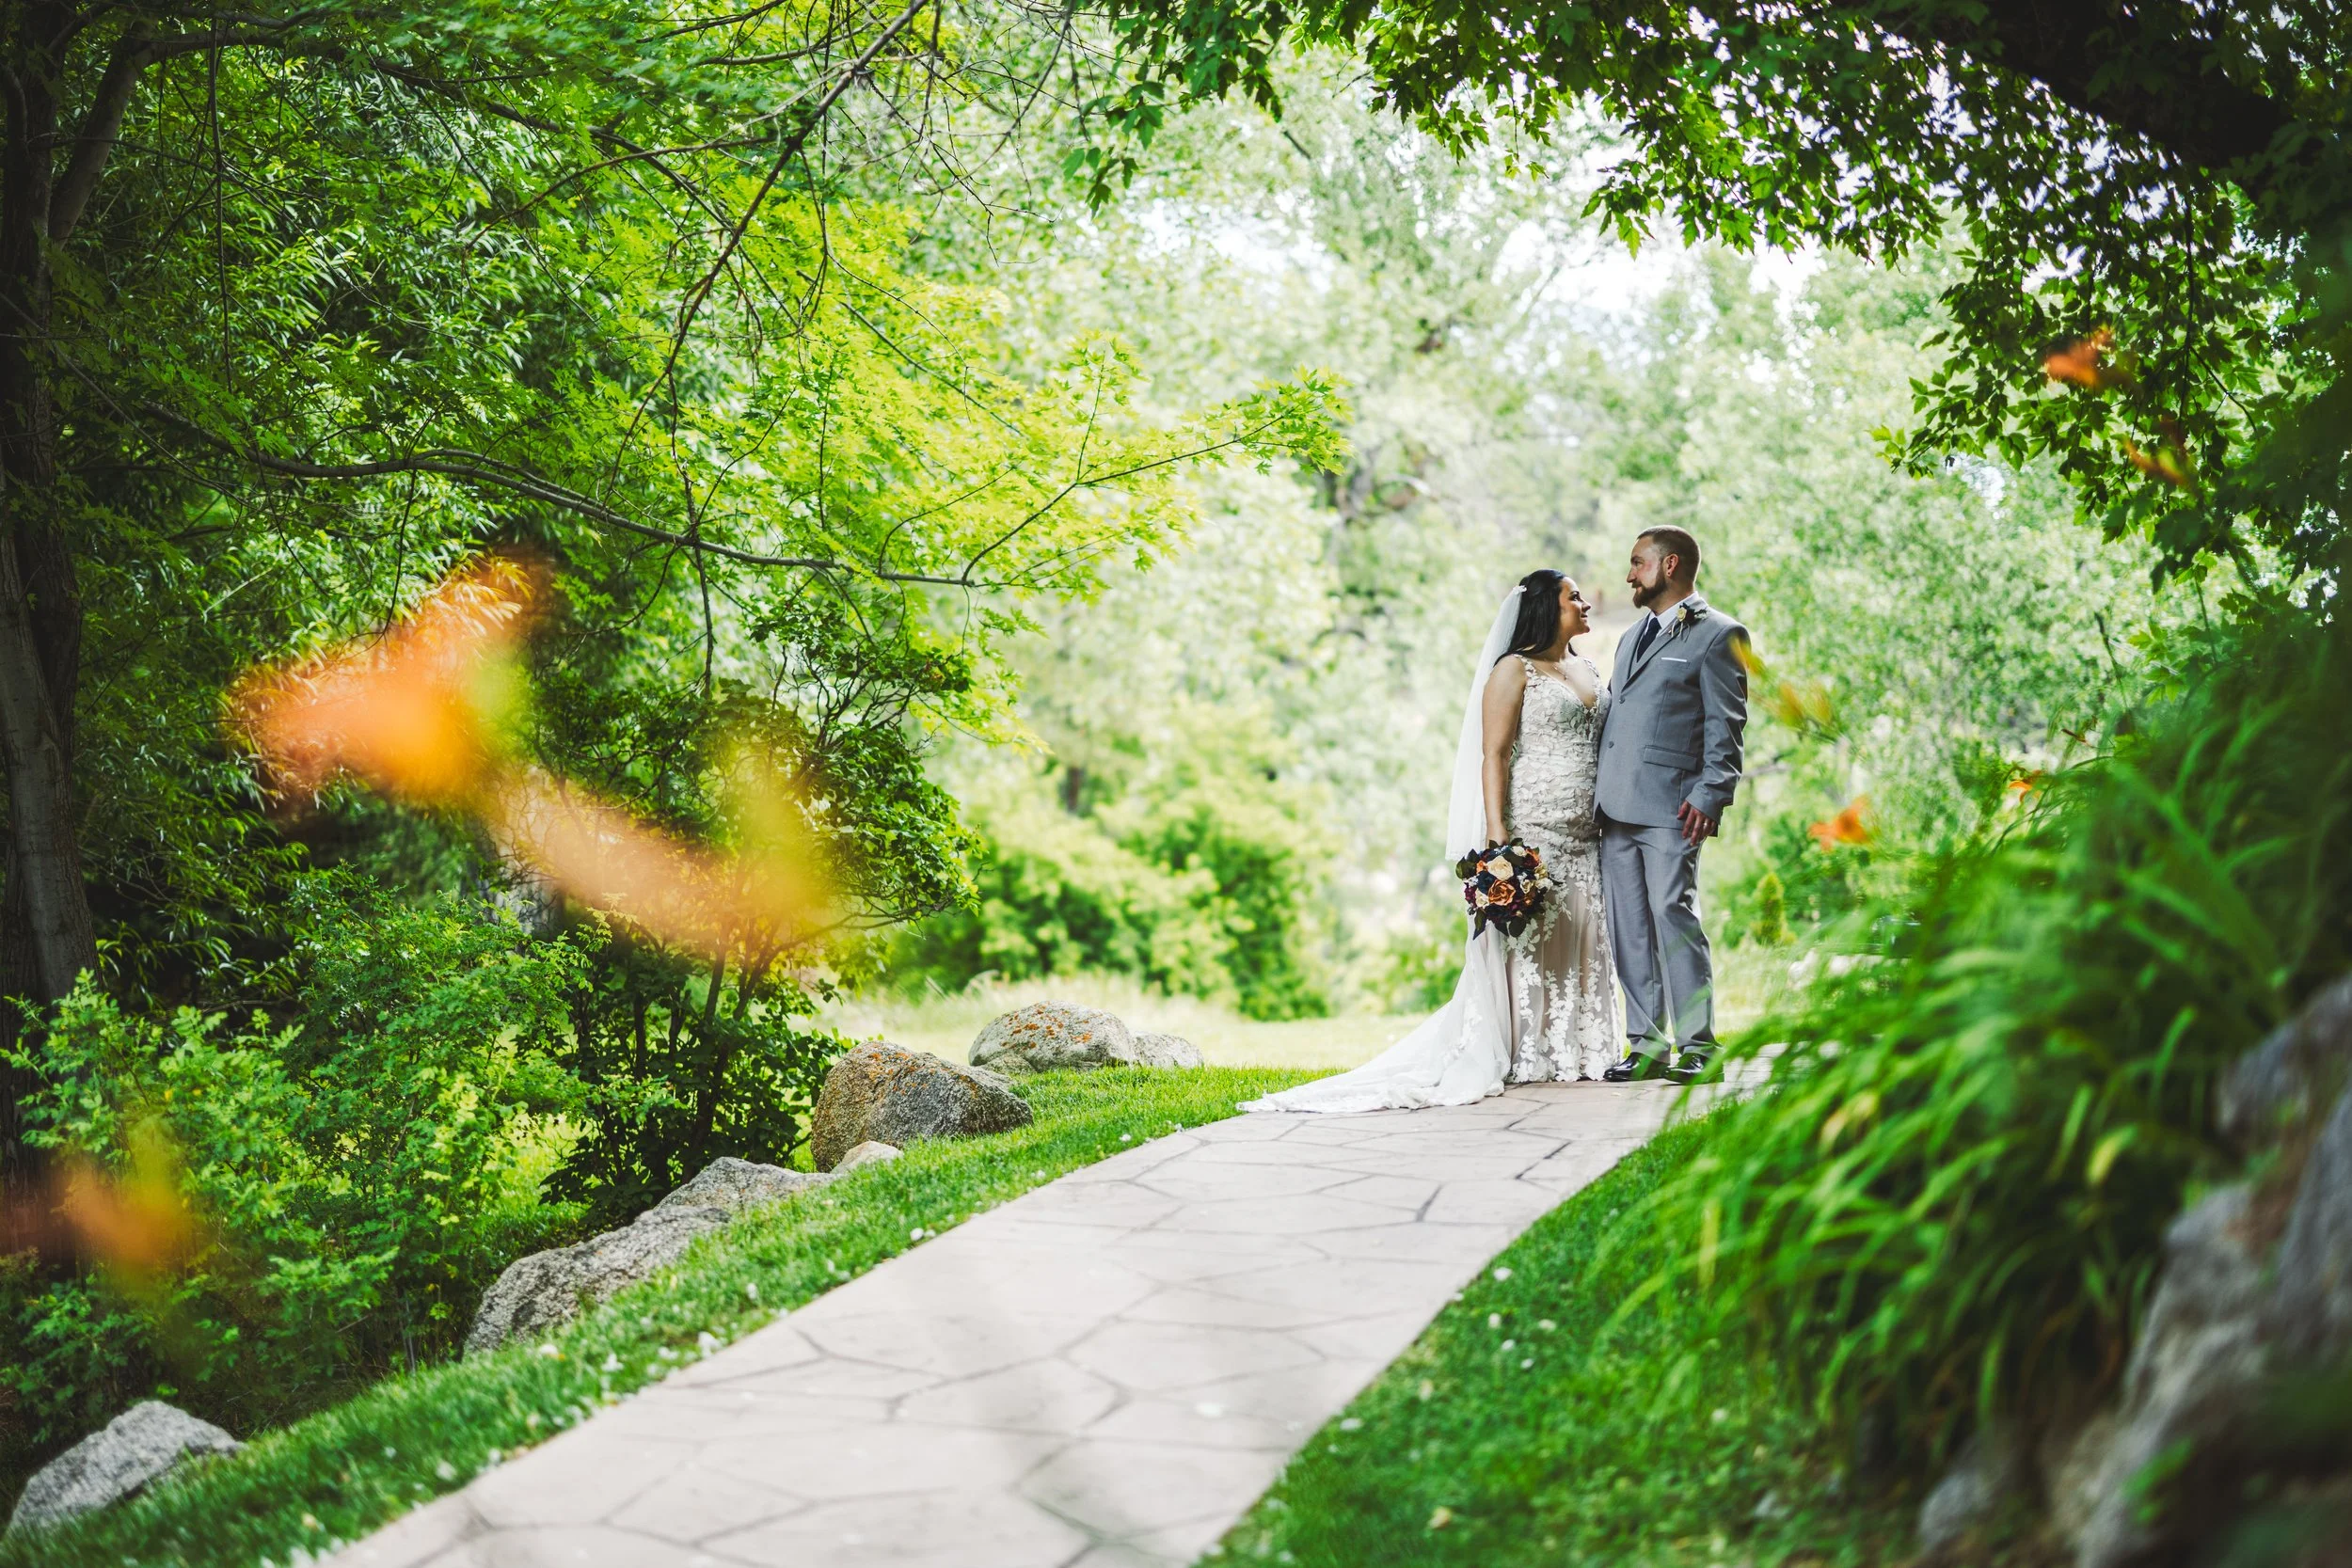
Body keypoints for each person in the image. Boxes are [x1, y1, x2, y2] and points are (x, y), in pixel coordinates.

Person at [1243, 569, 1619, 1114]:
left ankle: (1578, 1050)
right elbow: (1492, 755)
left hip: (1586, 834)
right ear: (1544, 608)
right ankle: (1525, 1052)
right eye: (1573, 596)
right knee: (1528, 942)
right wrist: (1499, 841)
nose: (1585, 603)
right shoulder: (1512, 671)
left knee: (1582, 934)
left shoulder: (1586, 667)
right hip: (1532, 827)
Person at [1595, 527, 1750, 1085]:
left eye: (1637, 563)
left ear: (1670, 565)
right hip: (1612, 808)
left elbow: (1726, 726)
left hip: (1673, 807)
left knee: (1673, 919)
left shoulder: (1720, 634)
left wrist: (1711, 794)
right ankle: (1646, 1046)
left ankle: (1700, 1048)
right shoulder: (1631, 635)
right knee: (1629, 927)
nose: (1629, 574)